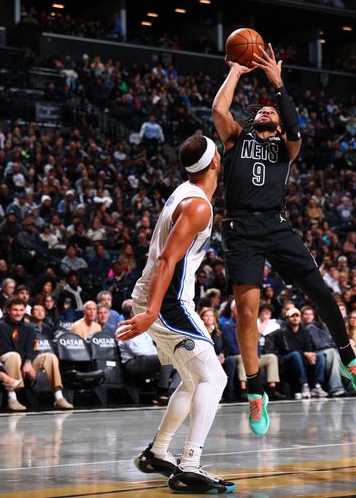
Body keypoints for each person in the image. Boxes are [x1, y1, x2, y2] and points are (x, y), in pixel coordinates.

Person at [212, 42, 356, 434]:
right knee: (246, 313)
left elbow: (296, 126)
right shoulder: (236, 139)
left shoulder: (287, 147)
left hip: (277, 225)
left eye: (273, 110)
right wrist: (236, 70)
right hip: (240, 229)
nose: (266, 109)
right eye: (262, 109)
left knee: (319, 289)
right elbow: (219, 110)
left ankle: (349, 358)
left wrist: (278, 83)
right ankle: (255, 393)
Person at [117, 134, 235, 494]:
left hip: (166, 298)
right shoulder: (198, 205)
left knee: (193, 378)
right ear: (215, 163)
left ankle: (158, 451)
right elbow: (168, 259)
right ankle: (190, 465)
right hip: (167, 302)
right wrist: (152, 311)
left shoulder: (186, 190)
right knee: (214, 379)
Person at [0, 297, 73, 412]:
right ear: (9, 310)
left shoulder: (28, 327)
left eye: (21, 310)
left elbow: (32, 348)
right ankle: (12, 399)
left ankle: (59, 397)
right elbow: (3, 350)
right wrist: (22, 365)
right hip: (5, 365)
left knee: (50, 357)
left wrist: (28, 362)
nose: (18, 313)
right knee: (13, 356)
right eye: (15, 310)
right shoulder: (0, 327)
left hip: (24, 364)